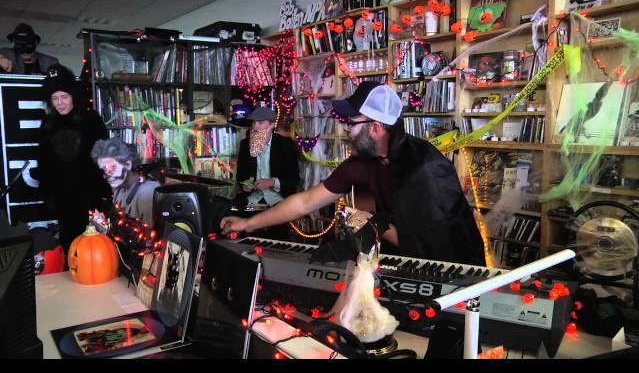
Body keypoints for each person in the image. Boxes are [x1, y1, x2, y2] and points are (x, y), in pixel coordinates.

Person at [221, 81, 485, 266]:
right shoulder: (362, 161)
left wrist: (368, 222)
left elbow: (425, 244)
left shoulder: (424, 168)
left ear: (377, 127)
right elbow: (305, 202)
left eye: (351, 123)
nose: (346, 129)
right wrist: (247, 224)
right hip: (401, 258)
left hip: (453, 272)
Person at [33, 64, 111, 258]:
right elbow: (43, 161)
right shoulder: (47, 124)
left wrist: (104, 190)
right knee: (70, 246)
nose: (60, 103)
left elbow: (105, 155)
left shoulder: (91, 119)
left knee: (95, 245)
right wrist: (47, 191)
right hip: (63, 198)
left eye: (64, 97)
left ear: (73, 96)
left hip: (90, 195)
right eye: (55, 98)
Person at [234, 105, 300, 240]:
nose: (255, 126)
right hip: (252, 202)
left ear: (271, 125)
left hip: (278, 202)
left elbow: (294, 180)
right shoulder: (245, 145)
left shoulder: (286, 145)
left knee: (278, 237)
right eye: (253, 122)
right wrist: (244, 185)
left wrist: (272, 182)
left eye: (260, 122)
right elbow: (240, 176)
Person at [90, 137, 161, 225]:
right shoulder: (119, 189)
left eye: (113, 167)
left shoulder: (148, 192)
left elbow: (150, 235)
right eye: (105, 169)